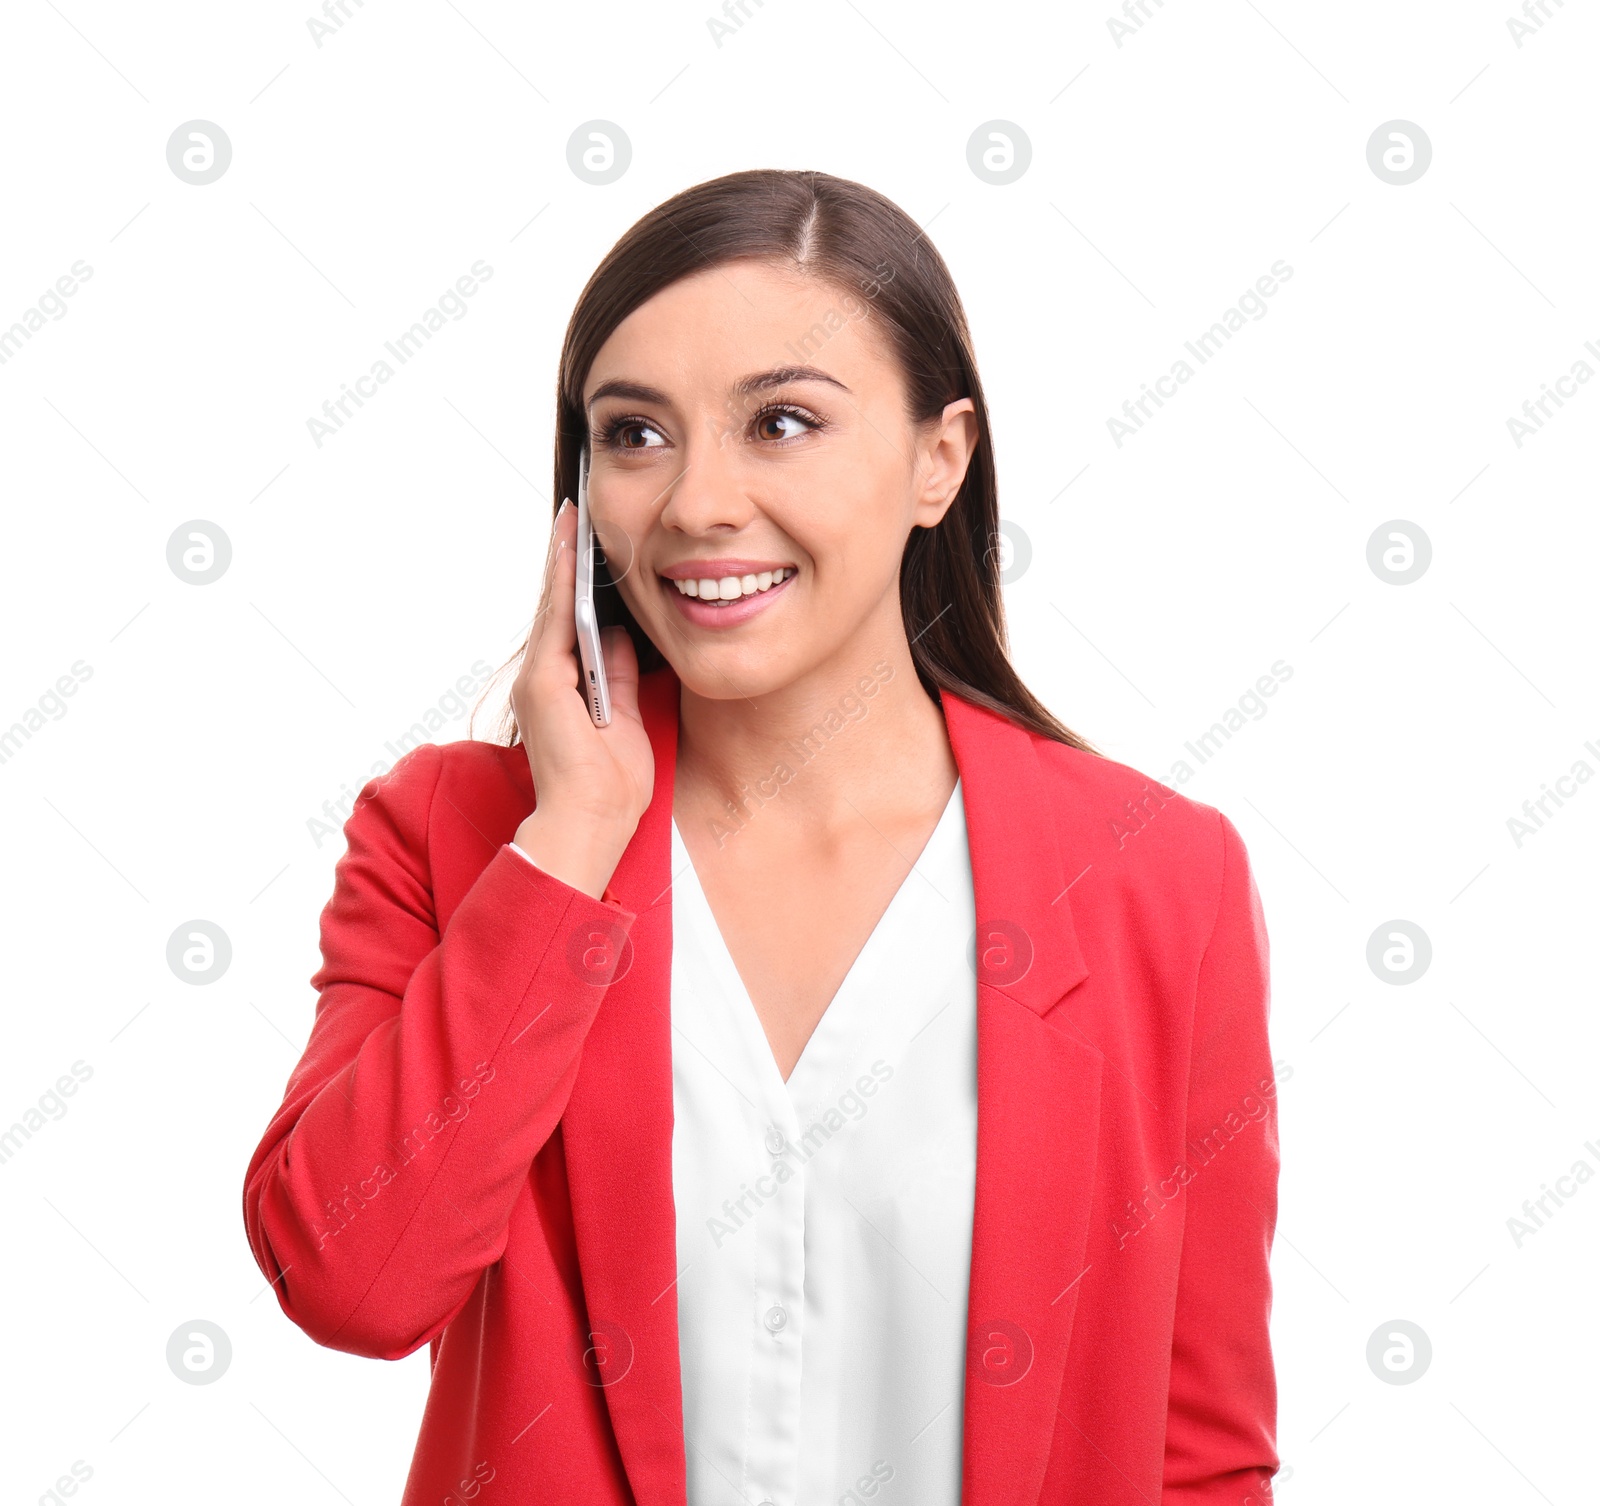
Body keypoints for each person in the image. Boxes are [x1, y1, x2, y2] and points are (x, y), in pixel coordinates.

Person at [242, 167, 1280, 1506]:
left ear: (938, 459)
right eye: (634, 435)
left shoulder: (1157, 877)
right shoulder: (453, 833)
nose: (696, 505)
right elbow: (350, 1279)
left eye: (781, 422)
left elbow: (1199, 1452)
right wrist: (572, 843)